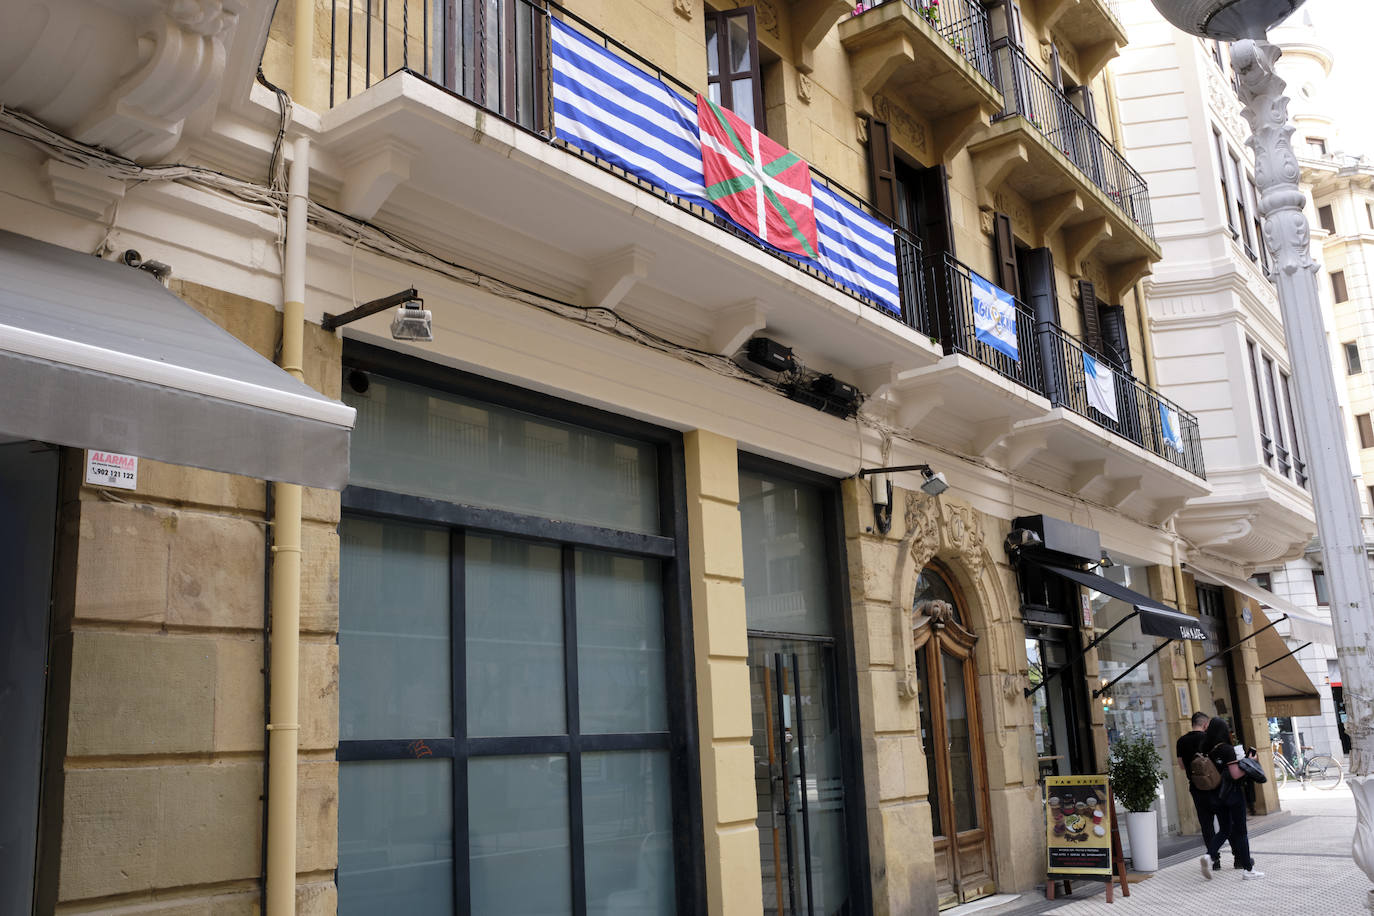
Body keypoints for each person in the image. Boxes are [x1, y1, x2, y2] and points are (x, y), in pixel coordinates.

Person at [1199, 716, 1264, 880]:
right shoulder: (1227, 750)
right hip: (1233, 795)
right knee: (1241, 831)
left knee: (1225, 828)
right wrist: (1250, 761)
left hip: (1216, 796)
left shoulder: (1207, 750)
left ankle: (1209, 855)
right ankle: (1248, 870)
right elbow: (1235, 774)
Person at [1176, 711, 1216, 859]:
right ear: (1205, 724)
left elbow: (1181, 765)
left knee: (1206, 824)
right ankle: (1238, 856)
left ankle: (1214, 858)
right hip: (1213, 785)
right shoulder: (1209, 738)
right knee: (1225, 821)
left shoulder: (1181, 741)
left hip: (1196, 786)